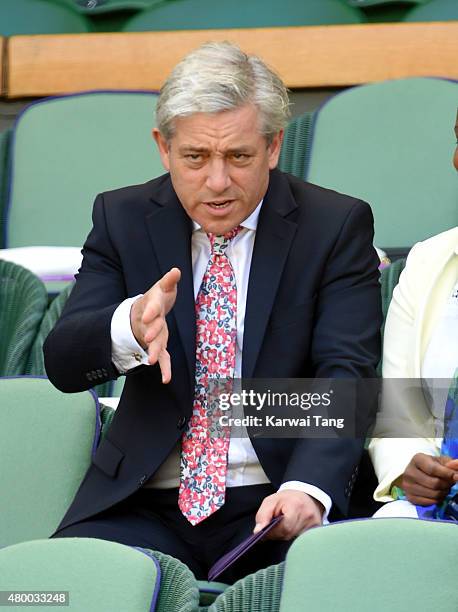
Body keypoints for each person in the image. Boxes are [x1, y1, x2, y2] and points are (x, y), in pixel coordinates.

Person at [44, 42, 382, 581]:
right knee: (57, 588)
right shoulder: (123, 216)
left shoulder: (334, 225)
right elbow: (62, 363)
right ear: (163, 148)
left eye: (239, 157)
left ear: (273, 146)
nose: (218, 182)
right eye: (195, 158)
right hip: (143, 500)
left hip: (274, 496)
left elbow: (348, 372)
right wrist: (126, 327)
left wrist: (307, 487)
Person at [369, 112, 458, 519]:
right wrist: (411, 470)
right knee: (387, 532)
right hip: (441, 509)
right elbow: (399, 412)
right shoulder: (430, 261)